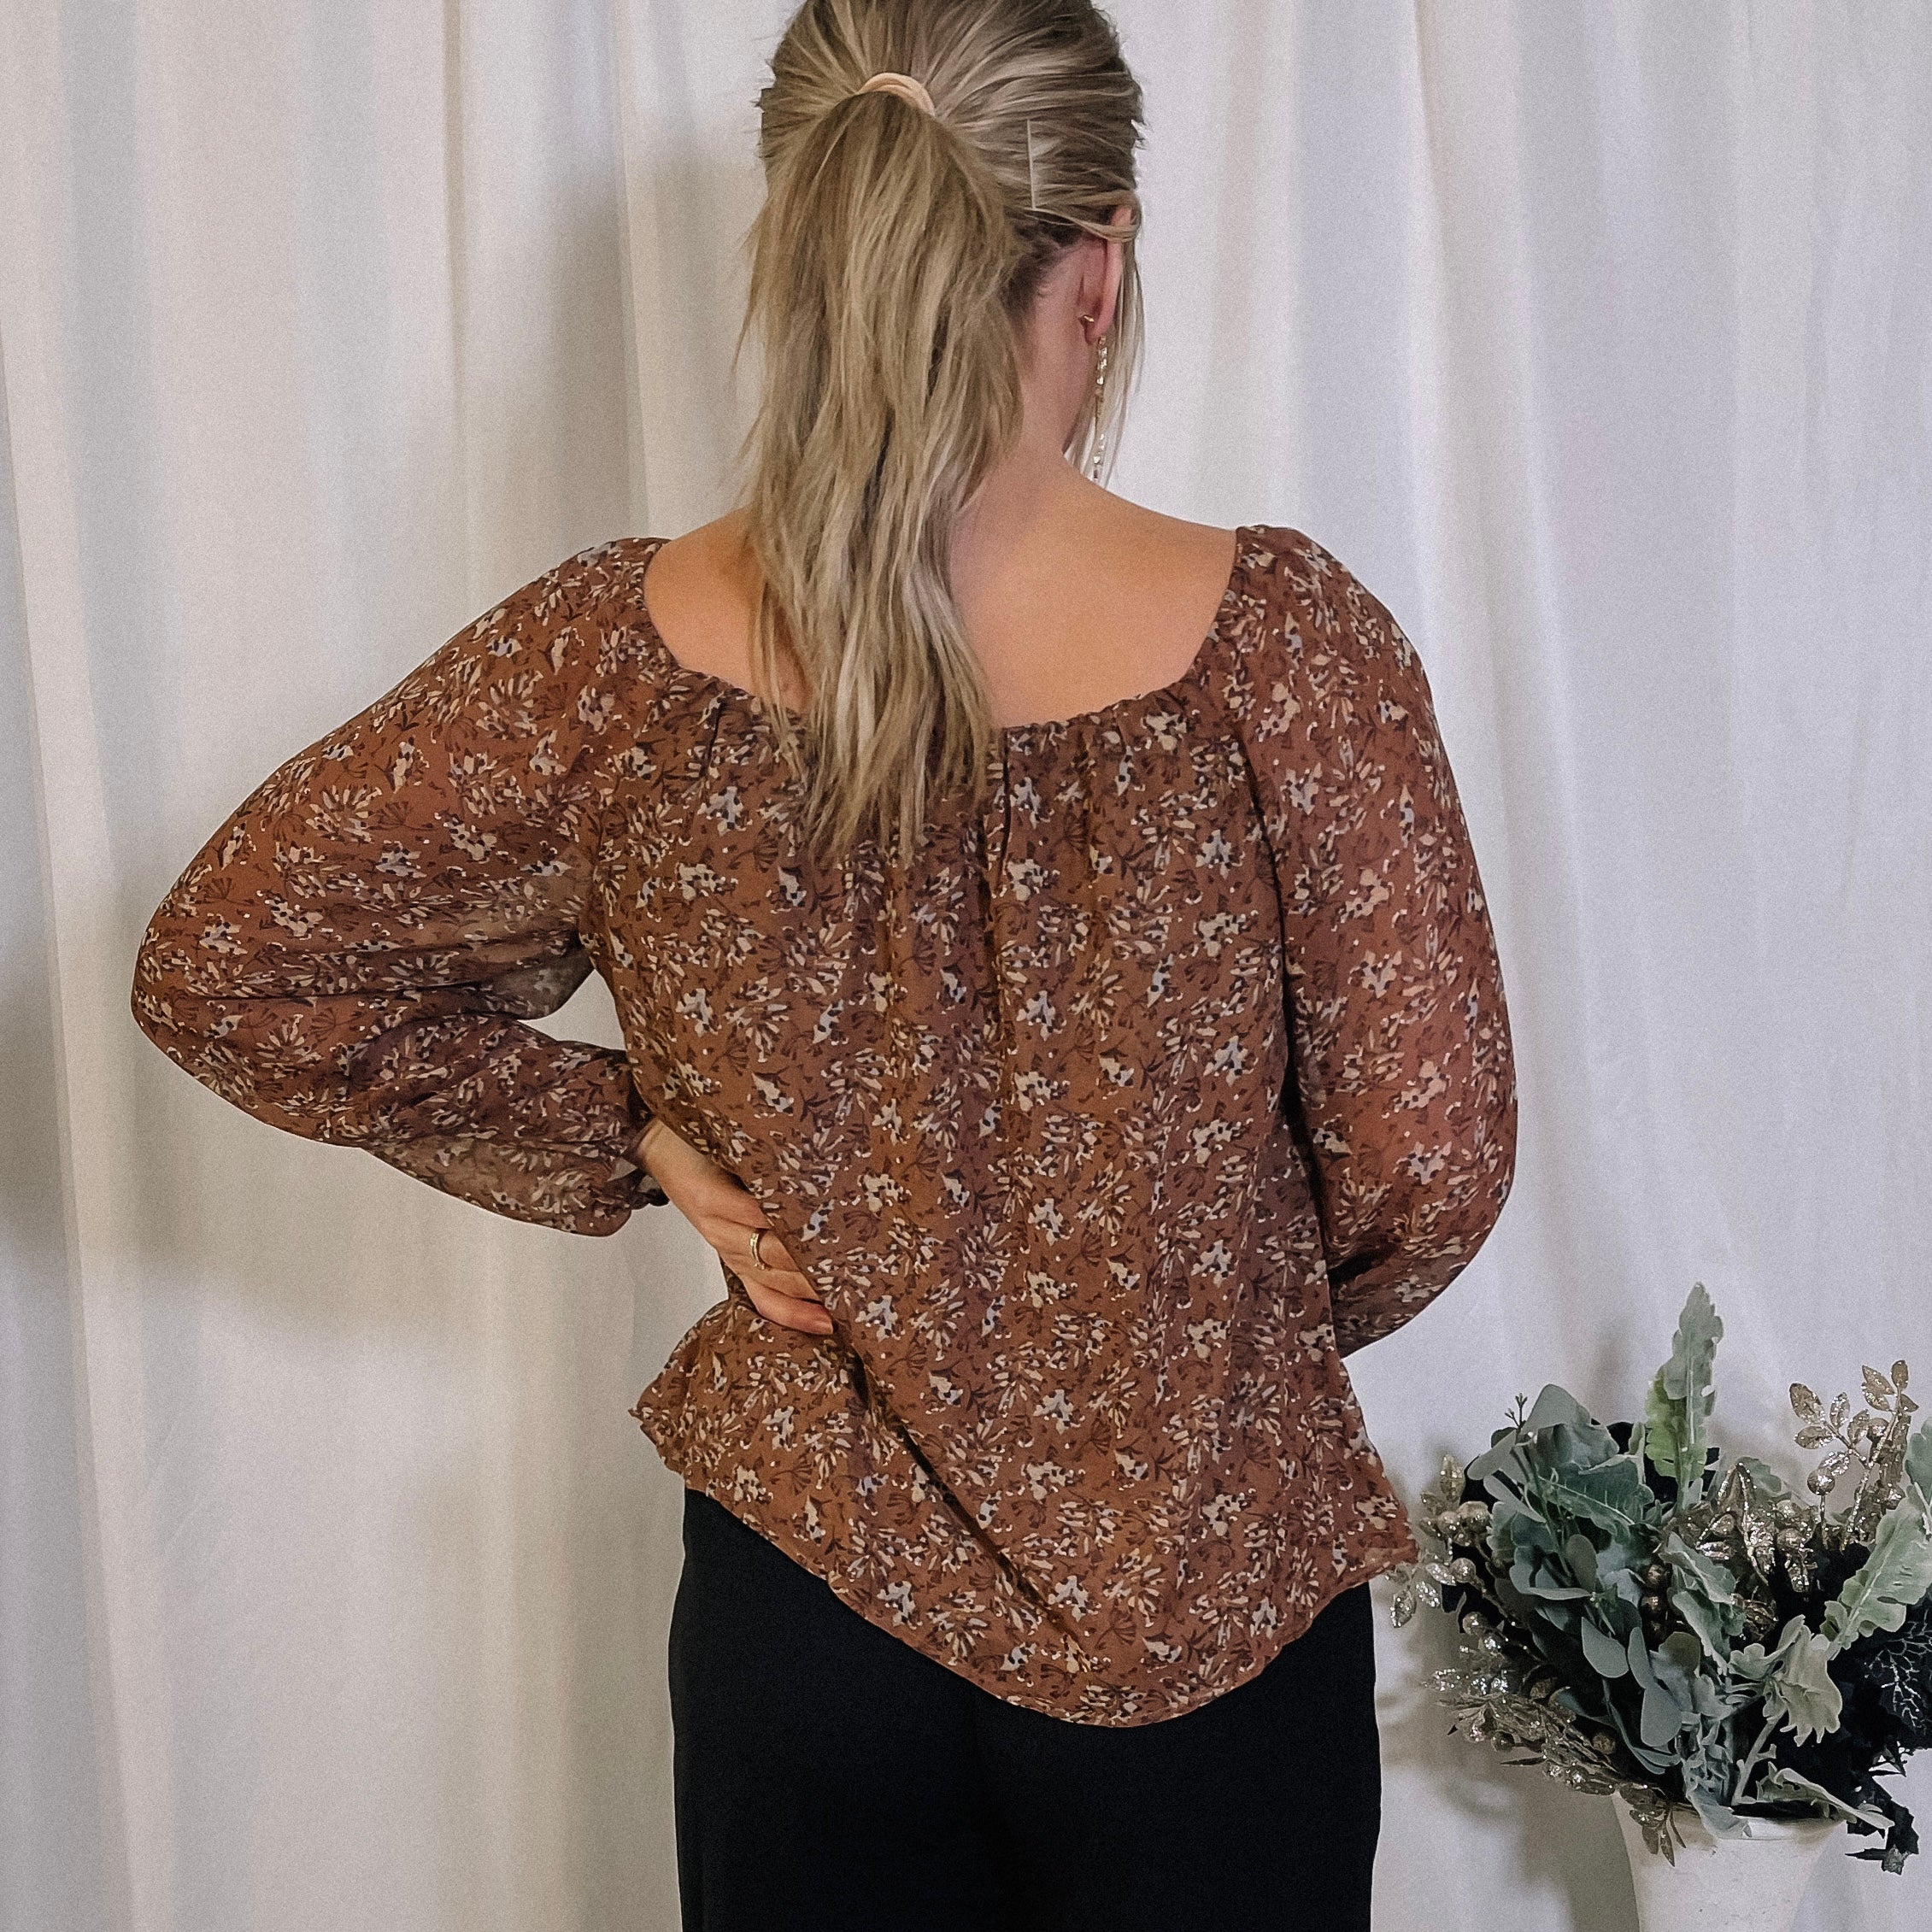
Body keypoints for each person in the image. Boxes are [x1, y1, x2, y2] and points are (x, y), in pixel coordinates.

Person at [130, 1, 1518, 1925]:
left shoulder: (612, 661)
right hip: (1200, 1613)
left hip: (806, 1621)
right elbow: (1428, 1158)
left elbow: (233, 960)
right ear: (1098, 261)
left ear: (806, 233)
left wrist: (636, 1134)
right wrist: (1186, 1325)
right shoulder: (1283, 650)